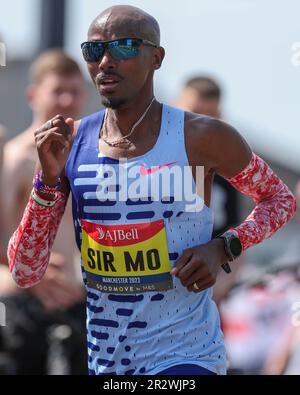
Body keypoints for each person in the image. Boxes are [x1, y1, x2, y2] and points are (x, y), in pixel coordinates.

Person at [7, 5, 296, 375]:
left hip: (186, 356)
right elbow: (25, 272)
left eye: (124, 47)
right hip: (107, 361)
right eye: (94, 51)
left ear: (156, 57)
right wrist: (46, 182)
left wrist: (224, 246)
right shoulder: (73, 143)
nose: (107, 61)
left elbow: (279, 200)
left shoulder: (201, 137)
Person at [1, 50, 88, 374]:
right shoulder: (12, 159)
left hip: (80, 304)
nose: (66, 100)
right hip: (23, 307)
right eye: (57, 91)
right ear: (33, 95)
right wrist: (28, 274)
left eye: (74, 91)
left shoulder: (95, 160)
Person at [175, 76, 239, 236]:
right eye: (194, 112)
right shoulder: (148, 157)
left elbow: (233, 229)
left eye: (210, 115)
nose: (201, 123)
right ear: (174, 106)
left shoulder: (228, 169)